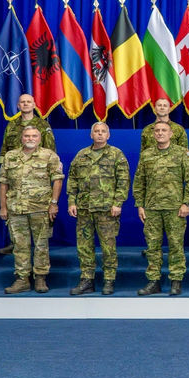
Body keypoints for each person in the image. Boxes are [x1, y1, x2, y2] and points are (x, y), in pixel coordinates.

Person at [132, 121, 189, 296]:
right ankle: (154, 281)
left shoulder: (181, 153)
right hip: (152, 208)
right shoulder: (146, 155)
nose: (160, 133)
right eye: (157, 131)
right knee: (152, 246)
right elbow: (139, 182)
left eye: (164, 130)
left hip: (175, 209)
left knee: (176, 245)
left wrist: (186, 203)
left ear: (171, 134)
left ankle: (176, 281)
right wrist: (140, 205)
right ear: (154, 134)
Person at [65, 122, 129, 296]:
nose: (100, 134)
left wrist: (118, 203)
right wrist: (71, 202)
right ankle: (87, 280)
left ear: (108, 135)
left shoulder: (116, 154)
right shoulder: (81, 155)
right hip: (84, 208)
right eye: (96, 131)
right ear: (91, 135)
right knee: (84, 246)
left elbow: (123, 181)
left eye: (103, 131)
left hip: (107, 209)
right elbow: (72, 180)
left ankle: (109, 279)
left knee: (108, 246)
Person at [0, 126, 62, 294]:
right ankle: (22, 279)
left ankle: (40, 278)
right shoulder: (10, 156)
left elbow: (57, 180)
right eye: (27, 136)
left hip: (40, 208)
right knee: (19, 246)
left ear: (39, 139)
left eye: (34, 136)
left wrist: (54, 203)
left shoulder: (49, 155)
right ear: (22, 138)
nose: (30, 138)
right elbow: (3, 183)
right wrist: (3, 207)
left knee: (41, 245)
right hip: (16, 208)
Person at [0, 93, 55, 256]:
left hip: (38, 172)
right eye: (22, 102)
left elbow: (51, 149)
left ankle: (40, 243)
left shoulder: (42, 125)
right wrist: (4, 168)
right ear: (18, 105)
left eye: (29, 102)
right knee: (14, 207)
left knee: (40, 208)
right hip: (15, 171)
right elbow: (5, 148)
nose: (26, 104)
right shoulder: (12, 125)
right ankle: (14, 242)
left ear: (34, 105)